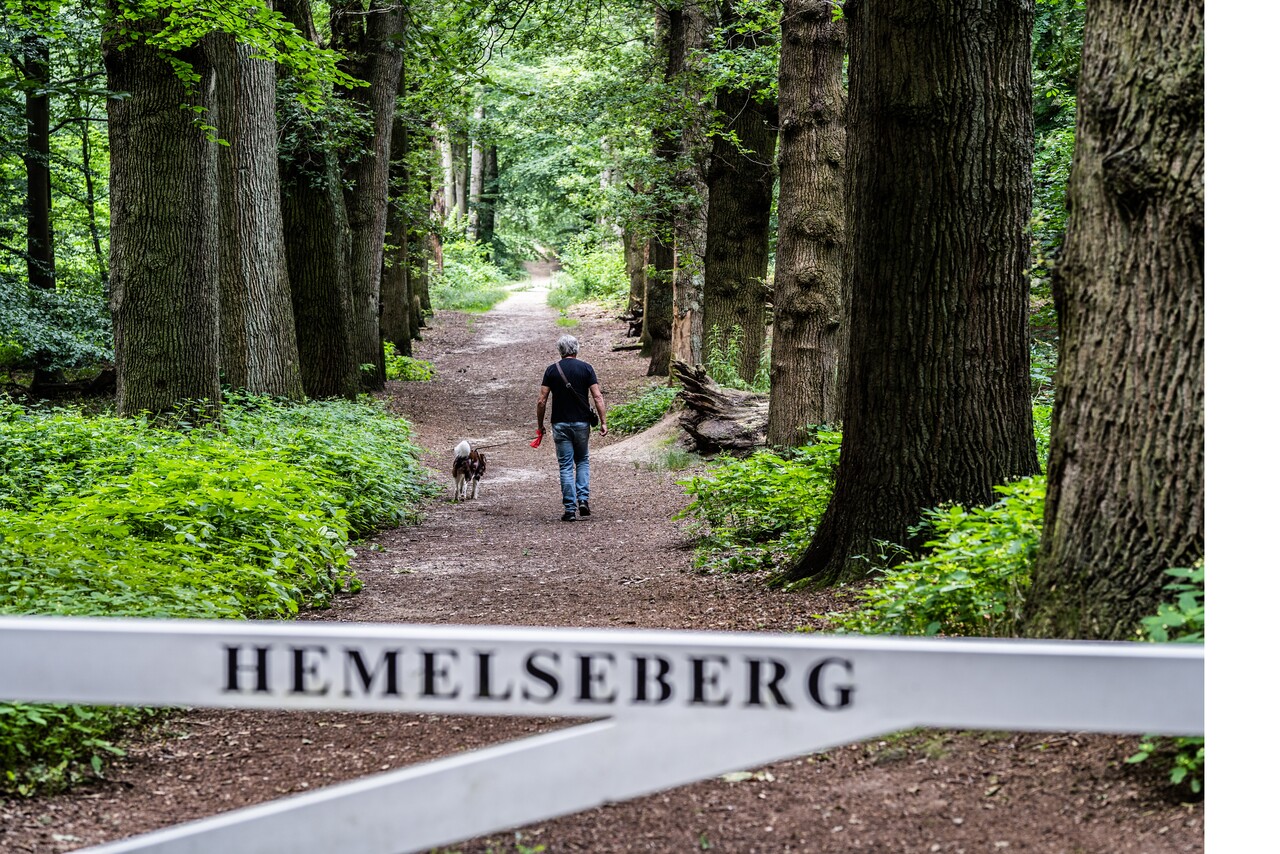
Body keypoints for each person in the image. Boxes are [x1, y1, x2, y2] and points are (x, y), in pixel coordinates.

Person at [535, 334, 607, 521]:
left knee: (566, 465)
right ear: (576, 349)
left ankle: (569, 509)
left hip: (560, 423)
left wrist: (540, 425)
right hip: (582, 423)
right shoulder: (586, 368)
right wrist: (603, 421)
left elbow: (542, 401)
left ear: (560, 350)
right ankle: (583, 500)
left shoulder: (552, 370)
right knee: (582, 460)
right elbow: (597, 396)